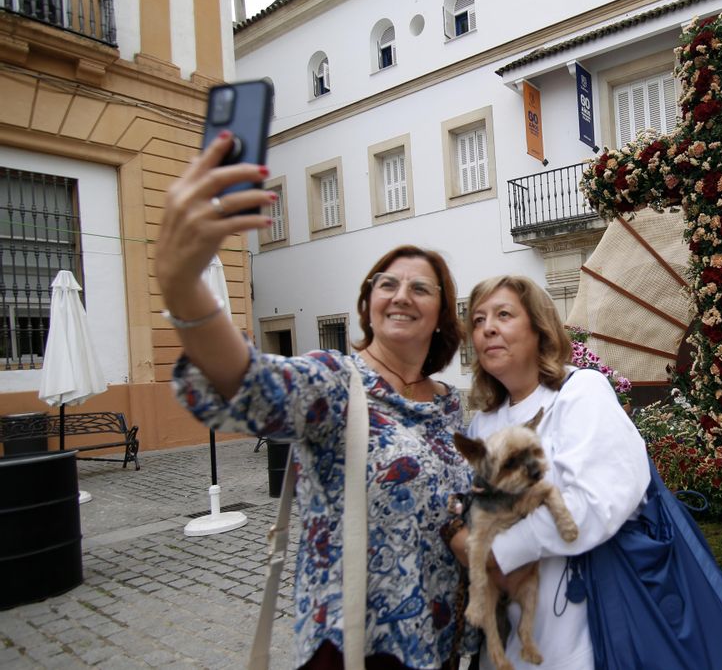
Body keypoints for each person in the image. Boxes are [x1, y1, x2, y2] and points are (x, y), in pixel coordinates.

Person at [159, 131, 474, 670]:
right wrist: (184, 287)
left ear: (442, 314)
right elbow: (249, 384)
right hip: (354, 646)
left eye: (421, 288)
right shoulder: (334, 382)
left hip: (442, 642)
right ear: (368, 305)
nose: (401, 295)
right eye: (387, 284)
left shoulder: (452, 405)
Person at [456, 275, 650, 670]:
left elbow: (598, 501)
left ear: (539, 328)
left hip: (582, 634)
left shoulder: (581, 392)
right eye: (478, 320)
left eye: (503, 314)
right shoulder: (483, 425)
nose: (487, 327)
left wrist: (499, 552)